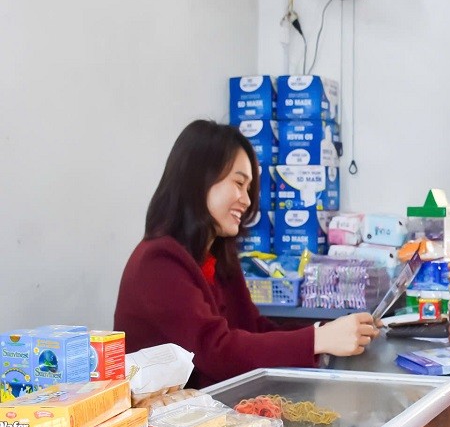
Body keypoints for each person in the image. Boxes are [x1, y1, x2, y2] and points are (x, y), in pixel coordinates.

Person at [115, 119, 377, 388]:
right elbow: (216, 351)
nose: (247, 200)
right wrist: (318, 340)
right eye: (239, 183)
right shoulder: (158, 262)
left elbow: (254, 329)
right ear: (199, 181)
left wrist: (327, 332)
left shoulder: (217, 257)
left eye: (248, 188)